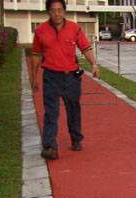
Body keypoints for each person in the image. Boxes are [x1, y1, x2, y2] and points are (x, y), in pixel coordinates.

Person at [30, 0, 100, 160]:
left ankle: (76, 139)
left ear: (64, 11)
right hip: (51, 77)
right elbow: (36, 55)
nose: (57, 14)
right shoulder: (40, 31)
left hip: (71, 77)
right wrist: (34, 78)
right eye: (53, 10)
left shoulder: (74, 28)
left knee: (73, 109)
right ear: (48, 12)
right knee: (51, 113)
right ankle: (50, 147)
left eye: (60, 10)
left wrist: (94, 64)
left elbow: (85, 48)